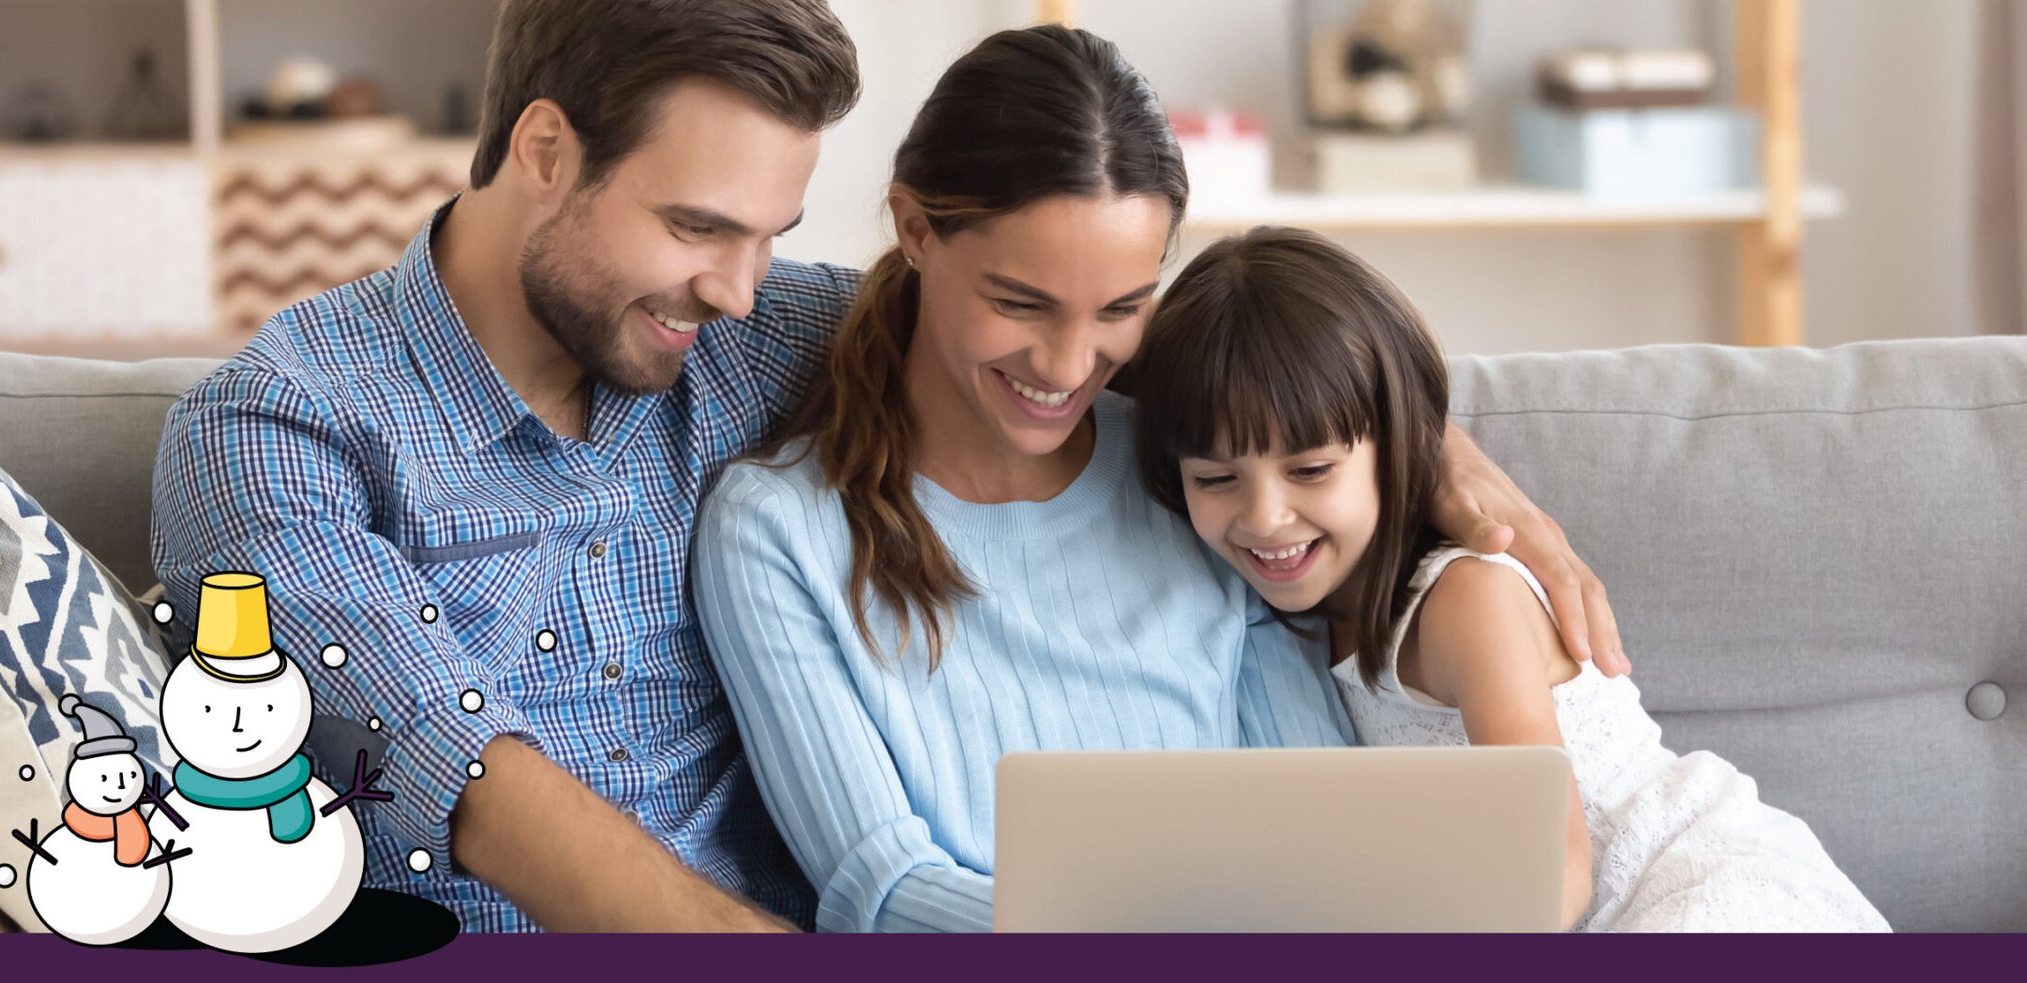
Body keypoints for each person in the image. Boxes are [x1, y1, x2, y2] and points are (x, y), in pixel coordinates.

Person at [154, 0, 1618, 932]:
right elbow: (473, 782)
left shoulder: (744, 327)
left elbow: (1122, 333)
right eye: (698, 226)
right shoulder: (277, 436)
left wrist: (1450, 467)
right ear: (545, 147)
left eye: (772, 233)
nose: (741, 286)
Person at [688, 24, 1624, 934]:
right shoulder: (779, 531)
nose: (1064, 365)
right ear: (916, 228)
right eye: (1020, 303)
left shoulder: (1198, 476)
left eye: (1121, 308)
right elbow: (882, 890)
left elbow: (1319, 801)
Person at [1129, 226, 1889, 932]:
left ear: (1395, 446)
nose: (1264, 517)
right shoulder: (1295, 613)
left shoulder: (1465, 599)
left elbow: (1554, 866)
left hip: (1699, 884)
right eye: (1216, 477)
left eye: (1312, 470)